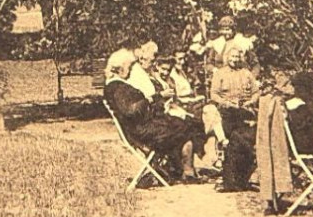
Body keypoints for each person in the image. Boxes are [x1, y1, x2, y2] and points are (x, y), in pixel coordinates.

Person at [104, 48, 203, 183]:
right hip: (140, 131)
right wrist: (153, 98)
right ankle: (185, 171)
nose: (131, 69)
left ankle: (178, 170)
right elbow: (131, 110)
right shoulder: (117, 87)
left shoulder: (117, 86)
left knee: (183, 123)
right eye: (129, 66)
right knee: (185, 127)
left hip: (140, 127)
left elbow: (136, 108)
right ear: (118, 68)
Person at [207, 42, 258, 191]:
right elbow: (213, 94)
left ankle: (242, 179)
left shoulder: (246, 73)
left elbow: (256, 92)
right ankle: (229, 180)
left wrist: (250, 101)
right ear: (227, 57)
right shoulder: (220, 73)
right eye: (232, 56)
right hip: (227, 111)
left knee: (246, 140)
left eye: (237, 56)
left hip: (244, 110)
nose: (235, 59)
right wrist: (225, 102)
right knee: (232, 140)